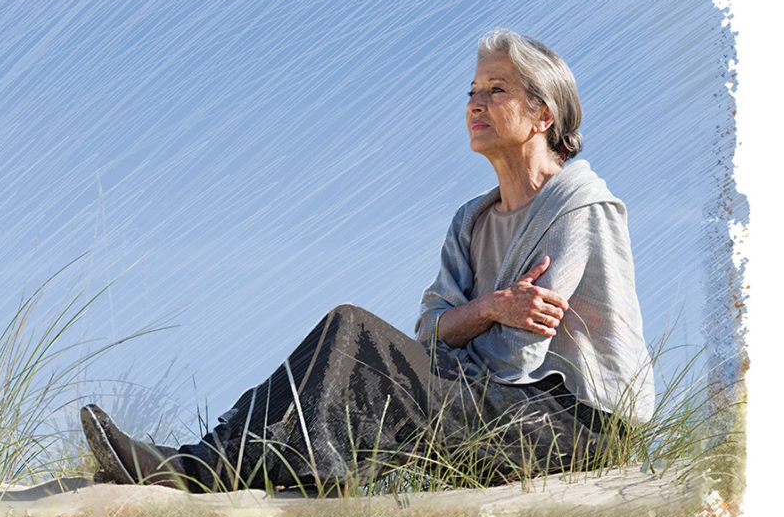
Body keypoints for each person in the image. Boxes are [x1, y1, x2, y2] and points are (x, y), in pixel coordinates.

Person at [81, 29, 655, 493]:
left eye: (496, 90)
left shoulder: (580, 205)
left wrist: (454, 336)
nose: (475, 103)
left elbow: (515, 355)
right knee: (344, 329)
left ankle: (208, 471)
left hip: (572, 425)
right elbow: (431, 327)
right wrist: (490, 308)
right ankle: (206, 460)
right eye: (471, 91)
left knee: (360, 341)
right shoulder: (471, 221)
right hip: (494, 398)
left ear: (542, 115)